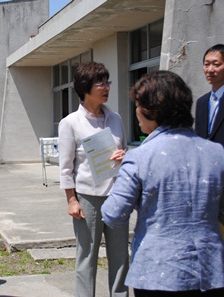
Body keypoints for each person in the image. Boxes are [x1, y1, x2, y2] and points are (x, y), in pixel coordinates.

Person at [102, 70, 224, 297]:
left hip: (157, 271)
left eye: (137, 106)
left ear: (150, 111)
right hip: (209, 271)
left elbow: (113, 214)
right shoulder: (216, 152)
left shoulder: (139, 157)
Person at [58, 61, 129, 297]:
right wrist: (72, 200)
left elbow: (124, 151)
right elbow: (66, 168)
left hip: (117, 196)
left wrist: (124, 156)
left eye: (107, 81)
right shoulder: (70, 123)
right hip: (88, 198)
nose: (107, 87)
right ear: (85, 87)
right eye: (101, 82)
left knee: (120, 256)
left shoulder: (116, 118)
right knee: (86, 256)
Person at [194, 44, 224, 219]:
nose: (210, 69)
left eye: (216, 64)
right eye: (206, 64)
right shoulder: (202, 102)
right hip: (207, 180)